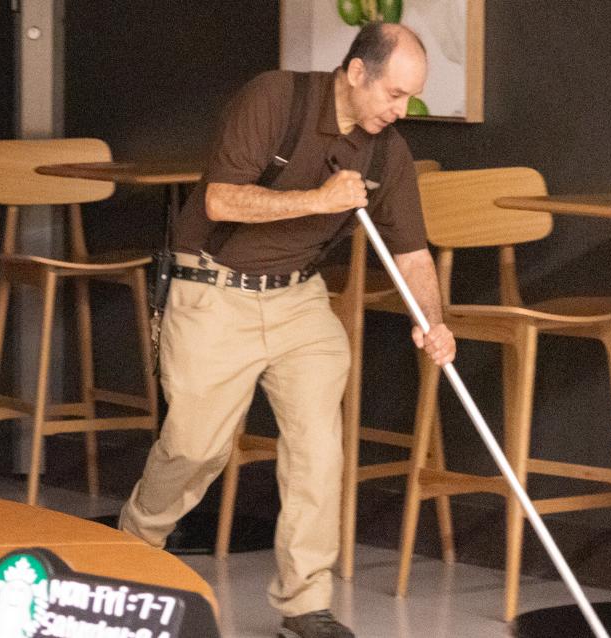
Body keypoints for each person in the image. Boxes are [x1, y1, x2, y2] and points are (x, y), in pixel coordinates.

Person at [117, 23, 455, 638]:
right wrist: (321, 201)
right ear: (356, 73)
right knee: (195, 447)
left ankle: (304, 605)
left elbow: (411, 253)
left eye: (409, 97)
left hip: (300, 300)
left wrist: (432, 321)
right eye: (394, 93)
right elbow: (220, 200)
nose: (399, 109)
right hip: (214, 288)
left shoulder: (386, 151)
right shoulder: (275, 98)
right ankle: (132, 548)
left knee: (318, 451)